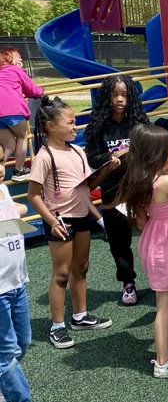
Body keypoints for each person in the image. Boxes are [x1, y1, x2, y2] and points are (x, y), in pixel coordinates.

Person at [28, 96, 116, 349]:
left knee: (82, 267)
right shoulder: (44, 157)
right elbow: (33, 195)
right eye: (70, 122)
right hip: (60, 221)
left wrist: (107, 170)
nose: (75, 126)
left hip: (81, 218)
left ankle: (80, 316)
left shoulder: (78, 151)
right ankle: (57, 327)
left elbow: (86, 188)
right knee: (62, 274)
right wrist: (52, 221)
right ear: (50, 126)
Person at [117, 124, 168, 377]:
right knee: (166, 305)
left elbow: (142, 221)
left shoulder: (140, 180)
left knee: (163, 298)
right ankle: (163, 361)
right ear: (158, 153)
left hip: (153, 244)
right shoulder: (165, 181)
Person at [0, 142, 58, 402]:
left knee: (22, 341)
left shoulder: (4, 191)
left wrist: (16, 211)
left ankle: (5, 386)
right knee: (6, 350)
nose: (0, 169)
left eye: (1, 162)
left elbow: (12, 222)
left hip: (16, 283)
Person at [84, 73, 149, 305]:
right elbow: (92, 157)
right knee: (119, 242)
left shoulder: (139, 121)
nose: (120, 99)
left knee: (153, 233)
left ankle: (165, 275)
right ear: (106, 97)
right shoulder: (99, 125)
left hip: (140, 188)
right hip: (112, 192)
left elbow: (151, 149)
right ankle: (128, 283)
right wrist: (111, 158)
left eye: (124, 94)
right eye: (114, 94)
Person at [0, 46, 44, 182]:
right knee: (22, 137)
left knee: (8, 145)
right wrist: (41, 90)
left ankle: (1, 166)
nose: (20, 61)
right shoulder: (15, 71)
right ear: (9, 60)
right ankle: (19, 171)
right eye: (17, 58)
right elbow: (32, 90)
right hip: (12, 110)